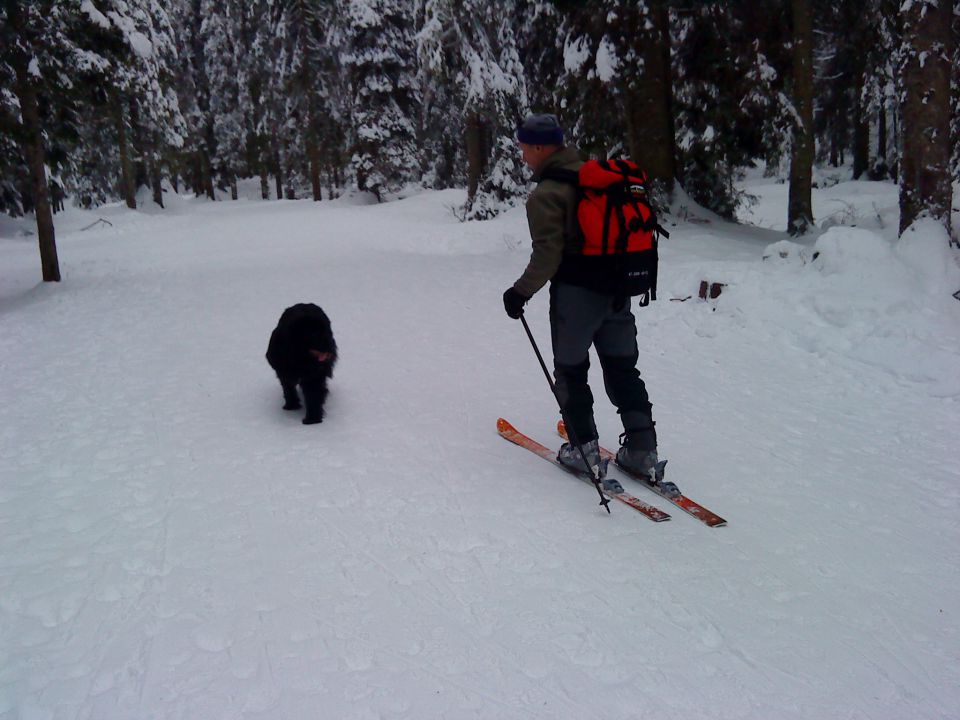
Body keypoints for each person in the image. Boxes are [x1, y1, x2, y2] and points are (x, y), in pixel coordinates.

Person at [503, 113, 668, 495]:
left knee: (571, 370)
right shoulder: (597, 178)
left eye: (526, 148)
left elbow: (548, 256)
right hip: (617, 292)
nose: (524, 155)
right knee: (623, 368)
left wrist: (519, 293)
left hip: (576, 296)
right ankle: (643, 450)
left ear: (541, 147)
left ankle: (583, 449)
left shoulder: (547, 194)